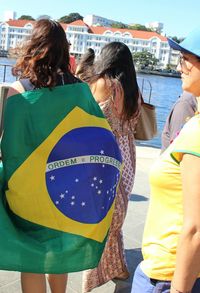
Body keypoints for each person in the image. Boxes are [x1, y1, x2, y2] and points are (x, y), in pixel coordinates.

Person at [2, 20, 122, 293]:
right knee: (58, 253)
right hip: (64, 185)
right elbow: (95, 135)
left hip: (29, 190)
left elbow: (11, 146)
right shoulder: (80, 89)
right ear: (63, 50)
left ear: (32, 47)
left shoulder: (17, 92)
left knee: (31, 259)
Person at [132, 27, 200, 293]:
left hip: (169, 275)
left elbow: (195, 228)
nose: (179, 66)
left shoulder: (196, 132)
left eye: (185, 58)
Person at [80, 42, 141, 292]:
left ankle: (92, 273)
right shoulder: (134, 90)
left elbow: (87, 119)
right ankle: (117, 266)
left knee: (101, 218)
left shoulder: (103, 84)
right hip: (127, 154)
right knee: (116, 216)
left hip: (104, 156)